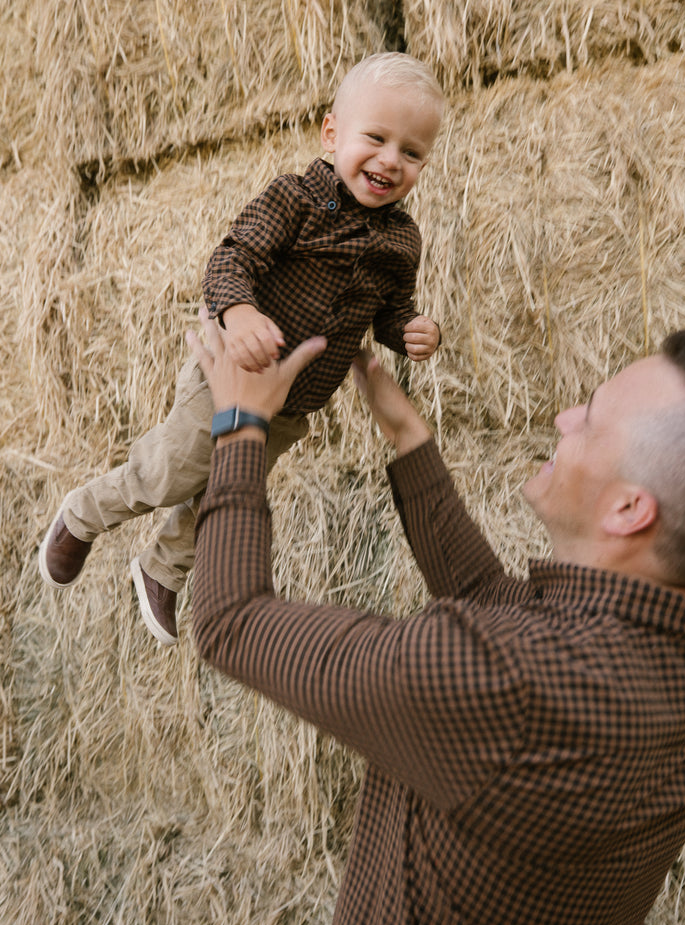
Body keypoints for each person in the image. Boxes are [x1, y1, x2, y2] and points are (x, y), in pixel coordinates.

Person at [188, 307, 685, 925]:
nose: (567, 416)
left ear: (630, 509)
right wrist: (411, 443)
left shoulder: (502, 681)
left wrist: (240, 425)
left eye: (592, 417)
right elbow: (500, 605)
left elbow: (232, 621)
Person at [38, 51, 445, 645]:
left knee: (226, 489)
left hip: (291, 404)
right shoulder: (295, 200)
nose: (391, 160)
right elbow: (232, 258)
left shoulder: (403, 241)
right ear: (332, 134)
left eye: (411, 153)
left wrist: (412, 331)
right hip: (230, 371)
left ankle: (161, 569)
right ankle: (82, 514)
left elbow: (390, 312)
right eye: (376, 138)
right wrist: (240, 310)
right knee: (175, 472)